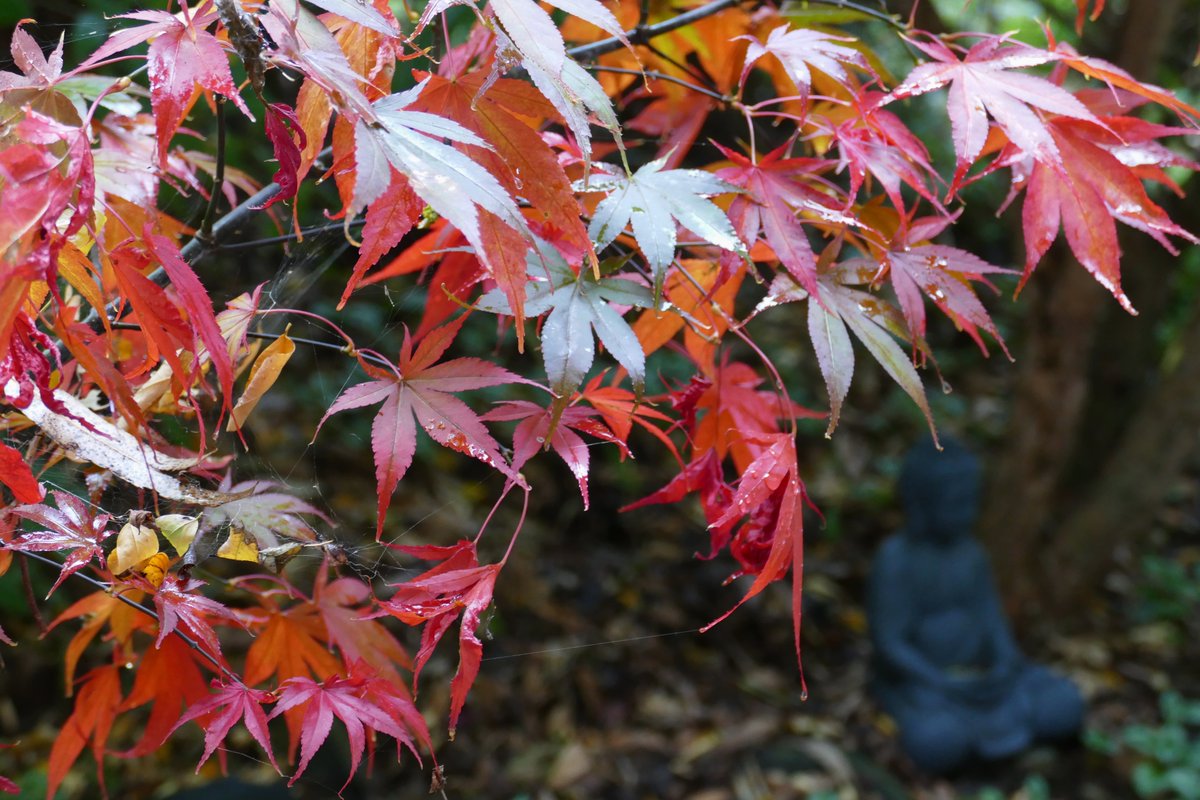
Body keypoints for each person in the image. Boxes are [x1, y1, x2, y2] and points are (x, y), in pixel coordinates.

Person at [867, 437, 1084, 773]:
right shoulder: (896, 560)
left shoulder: (972, 554)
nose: (967, 512)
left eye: (972, 500)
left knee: (1064, 702)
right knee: (937, 740)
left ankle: (998, 740)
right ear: (922, 502)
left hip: (985, 681)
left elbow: (990, 618)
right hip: (927, 685)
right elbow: (890, 644)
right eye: (956, 503)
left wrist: (1003, 661)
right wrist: (938, 680)